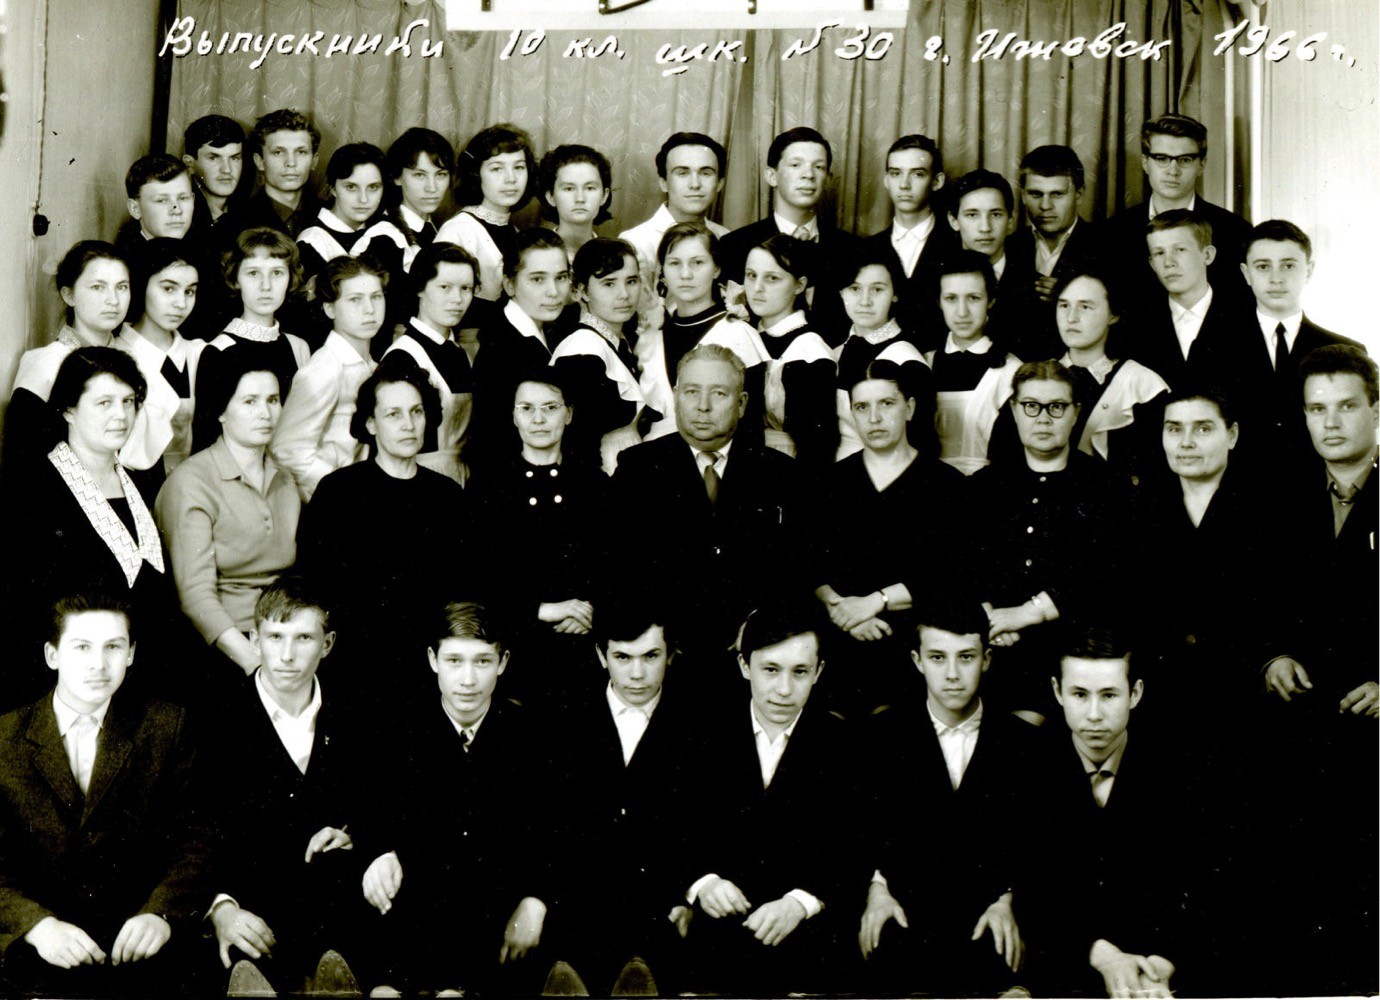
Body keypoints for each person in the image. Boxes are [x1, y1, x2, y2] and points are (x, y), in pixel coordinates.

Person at [0, 593, 209, 998]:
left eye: (113, 647)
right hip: (34, 953)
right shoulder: (5, 738)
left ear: (131, 654)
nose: (98, 664)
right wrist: (37, 927)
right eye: (82, 647)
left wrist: (161, 913)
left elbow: (198, 838)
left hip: (139, 948)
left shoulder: (166, 726)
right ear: (52, 655)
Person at [353, 602, 559, 996]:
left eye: (482, 661)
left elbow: (554, 834)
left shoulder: (531, 737)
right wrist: (378, 852)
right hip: (416, 921)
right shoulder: (397, 733)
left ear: (503, 662)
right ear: (433, 660)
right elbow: (369, 811)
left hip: (499, 924)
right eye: (454, 661)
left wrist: (537, 900)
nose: (468, 679)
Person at [1257, 344, 1378, 996]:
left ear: (1376, 410)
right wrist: (1273, 655)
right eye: (1316, 409)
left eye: (1346, 407)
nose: (1330, 423)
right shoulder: (1282, 494)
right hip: (1299, 731)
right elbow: (1258, 601)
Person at [667, 600, 853, 995]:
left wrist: (801, 902)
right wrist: (703, 883)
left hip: (810, 939)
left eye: (799, 671)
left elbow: (853, 846)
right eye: (771, 669)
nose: (784, 689)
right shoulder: (699, 737)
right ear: (744, 665)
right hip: (717, 937)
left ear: (818, 672)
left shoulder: (844, 744)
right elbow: (673, 827)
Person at [857, 602, 1041, 995]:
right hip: (904, 920)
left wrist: (1009, 899)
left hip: (988, 923)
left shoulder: (1025, 744)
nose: (952, 674)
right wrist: (876, 887)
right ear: (917, 661)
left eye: (966, 657)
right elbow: (861, 833)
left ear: (986, 659)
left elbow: (1036, 845)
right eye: (938, 657)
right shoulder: (880, 737)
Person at [201, 580, 368, 996]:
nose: (288, 655)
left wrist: (356, 834)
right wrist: (221, 909)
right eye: (275, 637)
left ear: (327, 644)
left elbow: (383, 802)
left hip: (338, 919)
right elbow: (192, 831)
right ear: (254, 640)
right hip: (251, 919)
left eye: (303, 638)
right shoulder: (214, 720)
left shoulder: (359, 714)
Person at [1026, 630, 1209, 998]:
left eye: (1109, 695)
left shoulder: (1182, 771)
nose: (1094, 715)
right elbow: (1032, 891)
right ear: (1057, 692)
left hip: (1160, 973)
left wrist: (1163, 961)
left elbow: (1201, 883)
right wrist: (1099, 952)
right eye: (1080, 695)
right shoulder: (1025, 768)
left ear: (1135, 694)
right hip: (1062, 971)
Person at [609, 344, 800, 677]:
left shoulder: (779, 473)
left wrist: (761, 625)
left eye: (719, 394)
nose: (703, 406)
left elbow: (794, 568)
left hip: (755, 655)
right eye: (691, 392)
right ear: (675, 396)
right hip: (664, 658)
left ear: (742, 404)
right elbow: (617, 565)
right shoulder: (637, 468)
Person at [1, 348, 171, 711]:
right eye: (104, 403)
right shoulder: (34, 489)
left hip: (140, 671)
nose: (120, 415)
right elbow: (23, 613)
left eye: (128, 401)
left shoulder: (136, 484)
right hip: (64, 685)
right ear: (68, 409)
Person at [294, 357, 468, 710]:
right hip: (353, 670)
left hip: (429, 672)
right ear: (371, 423)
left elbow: (461, 590)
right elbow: (314, 586)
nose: (409, 425)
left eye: (416, 412)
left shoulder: (447, 496)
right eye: (393, 414)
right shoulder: (338, 492)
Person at [970, 360, 1120, 720]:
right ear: (1014, 410)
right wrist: (989, 617)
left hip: (1073, 650)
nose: (1043, 418)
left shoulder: (1106, 487)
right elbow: (962, 565)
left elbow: (1105, 573)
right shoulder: (983, 487)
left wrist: (1026, 614)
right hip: (992, 646)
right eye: (1031, 406)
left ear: (1076, 412)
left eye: (1056, 407)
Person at [554, 603, 691, 994]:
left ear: (671, 655)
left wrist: (687, 894)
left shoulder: (696, 724)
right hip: (578, 910)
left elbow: (704, 824)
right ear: (602, 656)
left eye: (651, 656)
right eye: (622, 657)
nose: (636, 674)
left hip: (663, 912)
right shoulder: (564, 717)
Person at [809, 362, 958, 715]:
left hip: (911, 640)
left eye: (886, 404)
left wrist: (875, 602)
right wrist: (840, 608)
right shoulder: (830, 483)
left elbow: (948, 573)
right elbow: (808, 562)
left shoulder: (947, 485)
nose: (874, 418)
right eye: (862, 407)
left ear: (909, 407)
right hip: (837, 634)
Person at [156, 351, 299, 690]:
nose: (265, 413)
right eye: (249, 401)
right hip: (226, 647)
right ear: (221, 411)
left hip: (284, 637)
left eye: (273, 400)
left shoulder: (285, 479)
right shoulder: (192, 482)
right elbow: (196, 597)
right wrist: (255, 665)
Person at [467, 373, 606, 713]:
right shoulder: (488, 488)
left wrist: (591, 609)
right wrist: (542, 610)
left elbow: (615, 564)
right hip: (515, 650)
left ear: (568, 414)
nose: (538, 419)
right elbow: (476, 577)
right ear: (513, 416)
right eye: (527, 408)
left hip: (584, 645)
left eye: (550, 407)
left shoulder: (595, 484)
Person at [990, 271, 1168, 483]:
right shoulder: (1033, 380)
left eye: (1085, 307)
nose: (1071, 317)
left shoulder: (1141, 385)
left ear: (1113, 315)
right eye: (1064, 305)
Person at [1232, 219, 1366, 475]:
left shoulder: (1345, 350)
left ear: (1309, 270)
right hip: (1236, 489)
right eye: (1263, 266)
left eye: (1288, 265)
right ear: (1246, 274)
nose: (1276, 278)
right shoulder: (1213, 347)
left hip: (1318, 490)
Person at [718, 126, 857, 344]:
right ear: (772, 176)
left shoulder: (852, 249)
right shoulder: (735, 245)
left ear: (828, 179)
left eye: (819, 167)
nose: (808, 175)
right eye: (795, 165)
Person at [5, 242, 132, 474]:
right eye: (97, 287)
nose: (113, 300)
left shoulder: (131, 362)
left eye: (121, 287)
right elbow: (24, 462)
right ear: (69, 295)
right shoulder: (46, 364)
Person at [1101, 113, 1251, 309]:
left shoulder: (1236, 231)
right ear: (1145, 162)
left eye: (1185, 160)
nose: (1173, 171)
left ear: (1201, 164)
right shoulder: (1111, 233)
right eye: (1161, 158)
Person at [270, 256, 384, 500]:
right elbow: (287, 451)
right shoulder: (324, 369)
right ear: (330, 308)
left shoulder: (374, 367)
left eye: (376, 297)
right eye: (355, 299)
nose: (370, 309)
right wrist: (343, 493)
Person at [191, 227, 312, 451]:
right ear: (236, 279)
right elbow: (206, 441)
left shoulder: (298, 347)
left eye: (277, 273)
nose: (266, 286)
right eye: (253, 273)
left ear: (290, 278)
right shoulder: (218, 353)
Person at [634, 221, 755, 443]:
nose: (685, 274)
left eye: (697, 262)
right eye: (674, 263)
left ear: (716, 268)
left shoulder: (738, 334)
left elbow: (750, 425)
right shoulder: (654, 334)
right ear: (662, 271)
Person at [468, 228, 573, 472]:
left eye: (561, 277)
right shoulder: (503, 348)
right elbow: (494, 445)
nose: (553, 291)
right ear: (509, 284)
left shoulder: (548, 331)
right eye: (538, 279)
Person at [1124, 208, 1253, 393]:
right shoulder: (1136, 326)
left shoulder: (1245, 319)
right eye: (1159, 253)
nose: (1169, 262)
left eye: (1180, 250)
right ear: (1152, 264)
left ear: (1208, 255)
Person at [113, 238, 206, 489]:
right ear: (142, 285)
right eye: (168, 289)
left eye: (189, 291)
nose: (180, 303)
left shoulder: (199, 353)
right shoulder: (114, 357)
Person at [381, 242, 477, 483]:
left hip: (461, 476)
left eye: (465, 288)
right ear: (420, 288)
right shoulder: (402, 356)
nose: (457, 299)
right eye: (445, 287)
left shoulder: (459, 352)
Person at [738, 233, 838, 466]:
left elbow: (818, 447)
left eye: (772, 278)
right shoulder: (745, 336)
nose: (757, 288)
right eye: (751, 276)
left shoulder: (809, 351)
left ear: (799, 285)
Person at [548, 237, 646, 469]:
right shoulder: (581, 352)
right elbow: (576, 445)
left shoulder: (622, 342)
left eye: (631, 281)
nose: (624, 294)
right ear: (582, 291)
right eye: (609, 284)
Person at [923, 250, 1023, 475]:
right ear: (939, 302)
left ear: (991, 301)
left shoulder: (1011, 371)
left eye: (973, 298)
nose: (962, 312)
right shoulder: (924, 363)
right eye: (951, 298)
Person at [294, 143, 410, 332]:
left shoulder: (389, 235)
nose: (363, 199)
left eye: (373, 187)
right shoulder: (311, 242)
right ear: (332, 188)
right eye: (351, 187)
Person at [831, 245, 932, 460]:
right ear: (841, 291)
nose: (865, 301)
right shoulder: (836, 353)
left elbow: (921, 444)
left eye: (877, 289)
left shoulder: (906, 360)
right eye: (855, 289)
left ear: (895, 294)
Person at [1005, 145, 1103, 360]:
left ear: (1079, 194)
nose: (1045, 205)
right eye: (1035, 194)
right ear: (1022, 195)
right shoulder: (1008, 246)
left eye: (1057, 194)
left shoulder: (1106, 247)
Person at [859, 133, 956, 348]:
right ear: (886, 180)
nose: (904, 184)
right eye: (896, 174)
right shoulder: (866, 249)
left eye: (917, 174)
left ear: (937, 181)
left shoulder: (957, 245)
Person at [434, 122, 538, 308]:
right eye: (497, 169)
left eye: (519, 167)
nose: (511, 179)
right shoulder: (458, 231)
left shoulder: (514, 232)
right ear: (476, 174)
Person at [618, 132, 729, 280]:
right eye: (682, 173)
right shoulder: (636, 243)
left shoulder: (725, 238)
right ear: (663, 183)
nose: (695, 184)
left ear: (720, 183)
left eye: (706, 173)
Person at [944, 169, 1020, 347]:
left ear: (1011, 220)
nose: (985, 227)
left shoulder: (1035, 289)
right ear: (954, 221)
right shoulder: (934, 283)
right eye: (972, 215)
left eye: (996, 214)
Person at [237, 108, 321, 238]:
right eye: (278, 152)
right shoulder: (236, 224)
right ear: (259, 161)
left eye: (301, 152)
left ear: (314, 161)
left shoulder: (330, 217)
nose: (291, 163)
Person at [539, 144, 613, 260]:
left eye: (590, 188)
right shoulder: (536, 256)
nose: (580, 198)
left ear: (604, 195)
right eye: (569, 189)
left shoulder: (613, 256)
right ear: (550, 197)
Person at [115, 155, 195, 259]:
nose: (177, 210)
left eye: (183, 198)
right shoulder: (124, 262)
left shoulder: (204, 255)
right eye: (162, 200)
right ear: (135, 209)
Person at [384, 126, 453, 244]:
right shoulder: (385, 238)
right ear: (397, 177)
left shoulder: (434, 228)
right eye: (419, 175)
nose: (432, 188)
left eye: (440, 174)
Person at [181, 113, 245, 234]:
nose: (227, 169)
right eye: (214, 158)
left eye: (235, 158)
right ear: (189, 164)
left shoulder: (247, 213)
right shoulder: (180, 218)